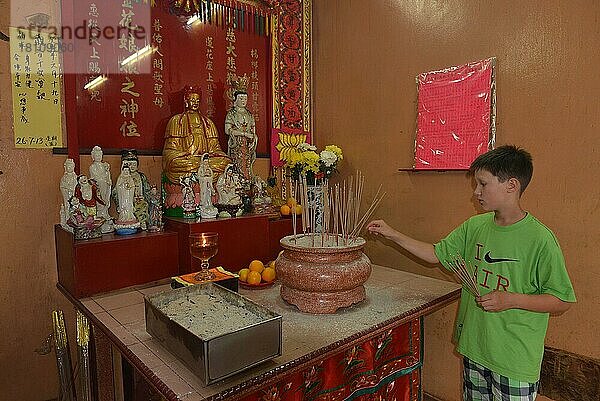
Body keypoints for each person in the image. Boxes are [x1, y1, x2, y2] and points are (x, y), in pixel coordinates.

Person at [367, 145, 576, 401]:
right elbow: (437, 254)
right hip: (476, 347)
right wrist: (392, 234)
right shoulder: (475, 226)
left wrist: (510, 299)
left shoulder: (540, 240)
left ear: (511, 185)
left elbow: (562, 300)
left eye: (483, 184)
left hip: (514, 358)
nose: (476, 192)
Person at [162, 86, 230, 185]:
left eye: (197, 100)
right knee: (178, 164)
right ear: (186, 101)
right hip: (187, 160)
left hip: (206, 161)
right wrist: (184, 156)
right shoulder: (177, 121)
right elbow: (169, 150)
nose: (195, 103)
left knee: (226, 162)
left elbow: (215, 148)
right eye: (192, 100)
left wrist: (211, 155)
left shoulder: (208, 123)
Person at [225, 77, 257, 183]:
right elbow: (227, 130)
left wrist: (253, 137)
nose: (243, 101)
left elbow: (253, 131)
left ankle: (248, 181)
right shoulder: (231, 114)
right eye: (241, 99)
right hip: (236, 145)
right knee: (237, 164)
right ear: (235, 100)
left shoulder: (249, 114)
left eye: (245, 99)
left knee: (247, 165)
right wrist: (243, 134)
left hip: (247, 146)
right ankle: (237, 182)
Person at [89, 146, 113, 232]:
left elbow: (108, 176)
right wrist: (104, 178)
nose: (98, 157)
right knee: (100, 200)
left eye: (100, 155)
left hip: (105, 185)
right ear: (93, 156)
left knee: (106, 199)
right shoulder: (92, 167)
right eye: (96, 155)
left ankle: (105, 213)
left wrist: (107, 172)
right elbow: (95, 178)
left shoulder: (104, 165)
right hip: (99, 186)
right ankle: (100, 214)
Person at [197, 153, 218, 218]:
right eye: (205, 161)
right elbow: (199, 177)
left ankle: (209, 204)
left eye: (207, 161)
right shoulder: (200, 168)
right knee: (205, 194)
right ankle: (204, 204)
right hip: (204, 185)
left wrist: (209, 176)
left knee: (208, 195)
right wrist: (204, 177)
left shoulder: (209, 168)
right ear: (202, 161)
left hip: (209, 185)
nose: (206, 162)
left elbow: (212, 175)